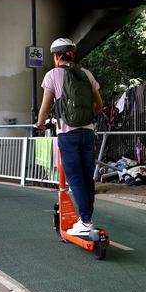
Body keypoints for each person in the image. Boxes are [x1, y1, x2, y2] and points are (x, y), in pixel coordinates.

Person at [35, 38, 103, 235]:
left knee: (75, 179)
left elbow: (45, 107)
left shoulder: (53, 74)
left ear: (56, 56)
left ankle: (85, 220)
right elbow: (99, 104)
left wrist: (40, 124)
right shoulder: (86, 74)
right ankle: (86, 218)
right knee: (87, 177)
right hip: (88, 132)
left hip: (68, 134)